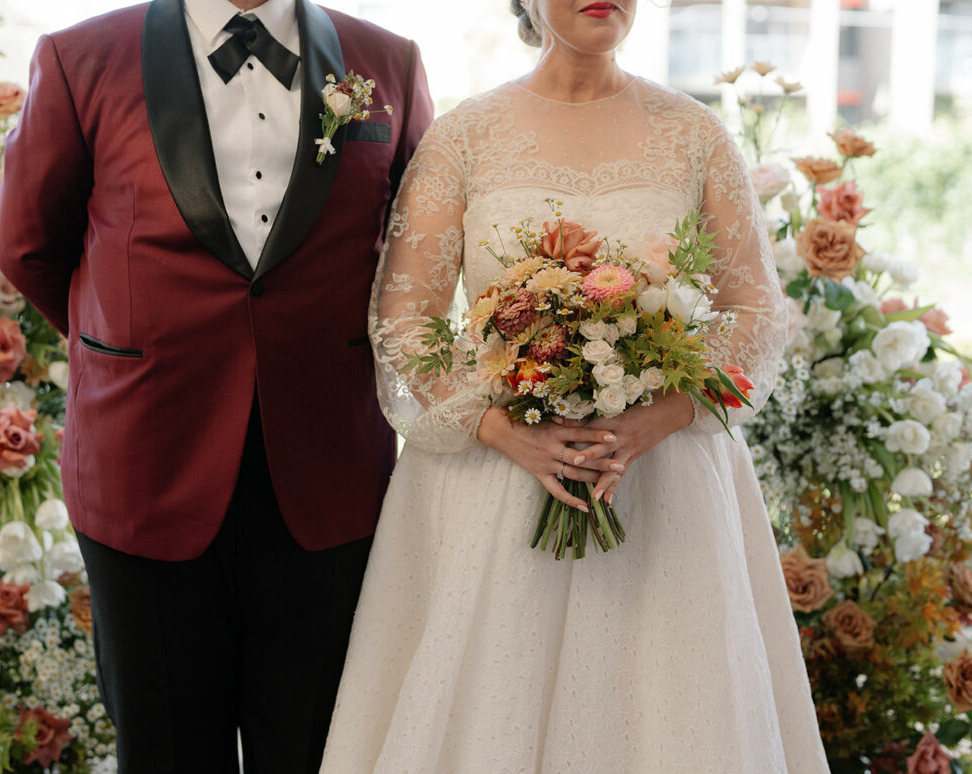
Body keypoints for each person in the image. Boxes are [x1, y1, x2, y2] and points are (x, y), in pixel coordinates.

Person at [319, 1, 831, 771]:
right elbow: (404, 318)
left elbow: (755, 311)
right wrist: (501, 430)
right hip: (490, 482)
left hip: (663, 488)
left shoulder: (694, 134)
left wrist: (661, 415)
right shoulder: (464, 136)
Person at [0, 0, 432, 770]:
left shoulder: (386, 60)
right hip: (143, 457)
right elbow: (30, 246)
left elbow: (420, 250)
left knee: (315, 746)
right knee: (164, 746)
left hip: (328, 467)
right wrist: (130, 344)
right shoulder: (79, 57)